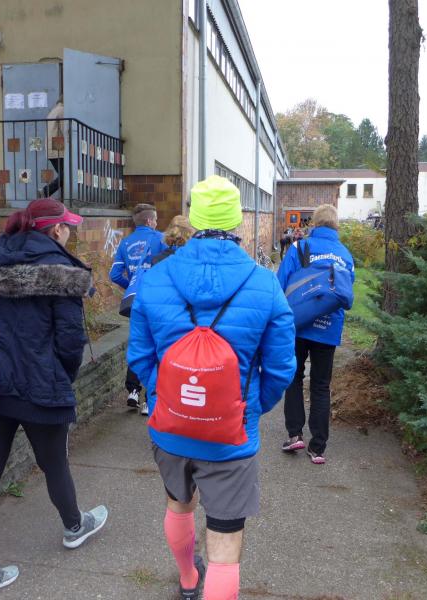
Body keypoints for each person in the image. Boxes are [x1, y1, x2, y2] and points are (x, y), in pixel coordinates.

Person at [128, 175, 296, 600]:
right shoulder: (264, 283)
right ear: (237, 219)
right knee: (224, 543)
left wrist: (166, 396)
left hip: (171, 428)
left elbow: (140, 357)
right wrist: (248, 406)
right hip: (230, 436)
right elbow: (281, 369)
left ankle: (188, 580)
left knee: (178, 504)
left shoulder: (155, 279)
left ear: (194, 217)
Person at [0, 198, 108, 600]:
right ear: (56, 230)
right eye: (67, 226)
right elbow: (71, 341)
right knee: (54, 464)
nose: (70, 232)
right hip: (41, 388)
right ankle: (74, 526)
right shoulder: (63, 274)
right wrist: (60, 378)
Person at [276, 204, 355, 464]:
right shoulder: (345, 255)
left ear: (315, 224)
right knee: (321, 385)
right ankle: (318, 447)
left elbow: (280, 284)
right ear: (336, 225)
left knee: (294, 378)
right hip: (328, 327)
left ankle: (294, 434)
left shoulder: (300, 248)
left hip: (298, 324)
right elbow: (346, 292)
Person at [109, 203, 168, 414]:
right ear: (150, 221)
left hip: (135, 301)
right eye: (156, 219)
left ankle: (133, 390)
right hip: (158, 299)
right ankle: (148, 400)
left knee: (138, 344)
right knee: (157, 346)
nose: (157, 223)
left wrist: (131, 286)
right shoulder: (162, 239)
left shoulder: (125, 242)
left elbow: (114, 275)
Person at [43, 97, 66, 198]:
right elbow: (64, 130)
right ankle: (45, 191)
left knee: (63, 176)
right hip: (58, 149)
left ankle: (62, 198)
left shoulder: (53, 111)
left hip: (51, 149)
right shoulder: (62, 110)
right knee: (66, 176)